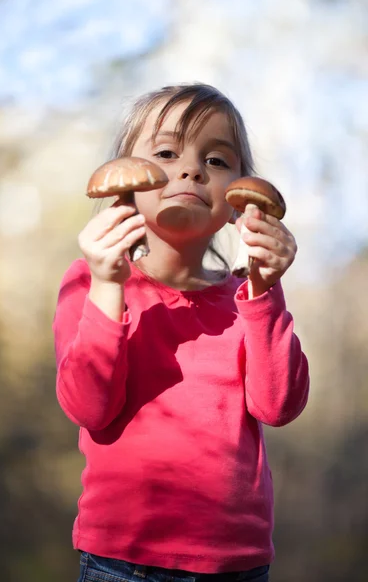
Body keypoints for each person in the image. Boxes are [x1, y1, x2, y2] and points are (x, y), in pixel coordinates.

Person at [53, 83, 309, 582]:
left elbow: (279, 407)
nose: (191, 169)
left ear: (239, 197)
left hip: (239, 563)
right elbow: (88, 407)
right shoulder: (89, 282)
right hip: (124, 561)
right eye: (166, 153)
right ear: (124, 181)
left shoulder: (248, 299)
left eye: (216, 160)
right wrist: (109, 283)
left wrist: (264, 288)